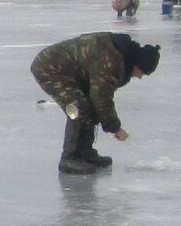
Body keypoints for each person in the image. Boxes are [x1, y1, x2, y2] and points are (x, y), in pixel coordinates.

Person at [31, 32, 160, 174]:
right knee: (78, 108)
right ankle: (69, 158)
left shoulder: (120, 56)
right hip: (50, 68)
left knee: (90, 106)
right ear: (137, 65)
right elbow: (102, 98)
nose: (140, 77)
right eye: (142, 72)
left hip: (73, 73)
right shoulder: (111, 60)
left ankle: (85, 153)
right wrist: (115, 127)